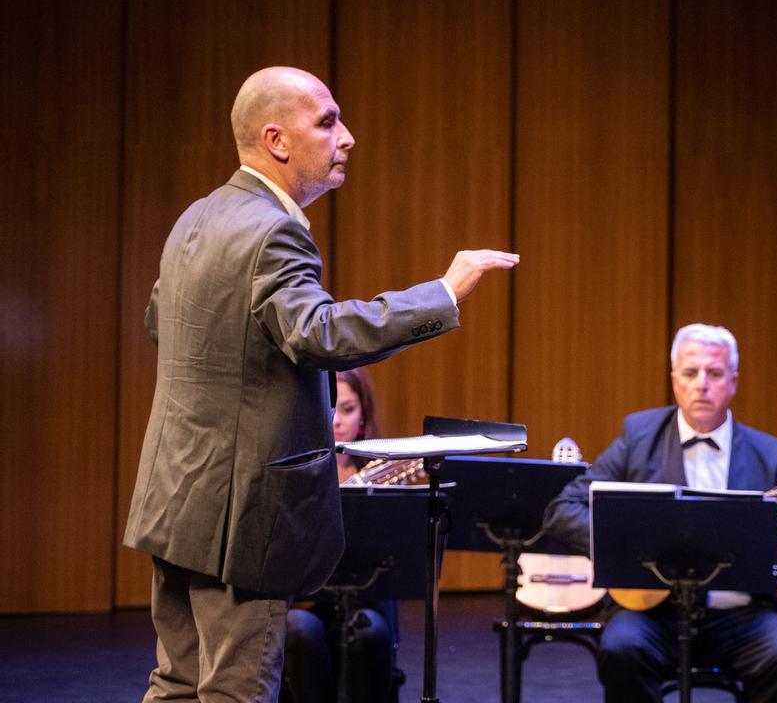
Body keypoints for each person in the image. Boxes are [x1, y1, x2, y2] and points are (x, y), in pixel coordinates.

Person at [124, 66, 519, 703]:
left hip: (176, 498)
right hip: (240, 516)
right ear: (277, 141)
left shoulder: (195, 219)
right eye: (328, 121)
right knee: (234, 691)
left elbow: (159, 325)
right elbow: (318, 333)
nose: (349, 137)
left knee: (176, 684)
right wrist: (442, 293)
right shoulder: (272, 228)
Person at [542, 323, 777, 703]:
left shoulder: (773, 455)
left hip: (740, 614)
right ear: (674, 380)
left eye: (715, 373)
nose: (702, 384)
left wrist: (745, 547)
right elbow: (563, 509)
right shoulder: (638, 437)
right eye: (690, 373)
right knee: (621, 650)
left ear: (733, 382)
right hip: (653, 612)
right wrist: (628, 541)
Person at [283, 367, 397, 703]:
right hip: (308, 599)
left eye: (347, 410)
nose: (337, 421)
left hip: (365, 599)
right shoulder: (294, 473)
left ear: (363, 415)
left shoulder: (379, 474)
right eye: (330, 410)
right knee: (299, 629)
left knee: (370, 630)